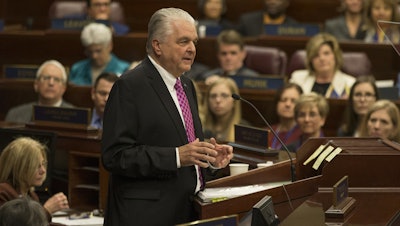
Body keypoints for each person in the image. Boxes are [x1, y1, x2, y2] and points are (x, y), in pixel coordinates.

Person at [101, 8, 233, 226]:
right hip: (146, 216)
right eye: (183, 41)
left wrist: (209, 161)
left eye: (194, 42)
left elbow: (187, 148)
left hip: (186, 210)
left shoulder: (186, 84)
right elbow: (115, 156)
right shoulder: (130, 86)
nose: (191, 49)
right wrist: (176, 156)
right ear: (157, 45)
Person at [0, 137, 69, 225]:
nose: (43, 171)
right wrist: (46, 210)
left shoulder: (31, 195)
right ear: (19, 167)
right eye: (36, 166)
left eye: (43, 164)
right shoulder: (3, 193)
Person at [5, 60, 74, 124]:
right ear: (36, 85)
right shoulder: (15, 115)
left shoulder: (76, 116)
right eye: (46, 78)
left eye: (56, 79)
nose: (51, 83)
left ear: (64, 88)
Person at [289, 33, 356, 99]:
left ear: (335, 56)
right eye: (316, 55)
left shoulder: (350, 84)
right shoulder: (297, 79)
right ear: (310, 59)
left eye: (326, 53)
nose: (322, 58)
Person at [202, 77, 249, 142]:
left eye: (224, 95)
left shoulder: (244, 130)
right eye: (213, 96)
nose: (218, 100)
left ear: (234, 101)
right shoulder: (200, 127)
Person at [270, 82, 303, 150]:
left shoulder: (304, 134)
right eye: (284, 100)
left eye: (293, 101)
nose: (287, 104)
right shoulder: (268, 131)